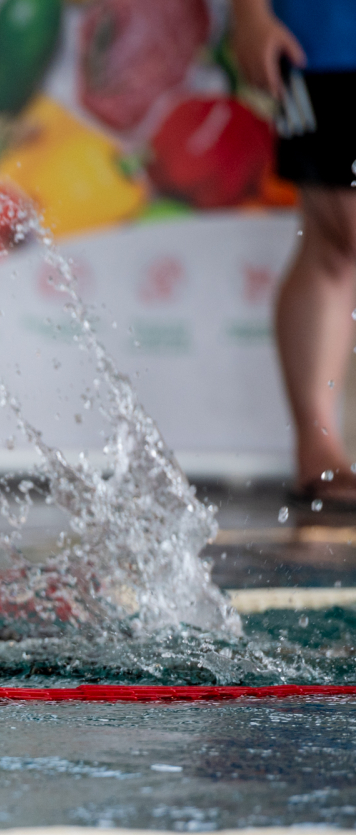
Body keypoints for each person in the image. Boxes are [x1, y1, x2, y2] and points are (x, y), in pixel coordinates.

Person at [231, 0, 356, 507]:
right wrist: (250, 15)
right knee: (340, 236)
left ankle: (319, 449)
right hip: (323, 47)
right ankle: (318, 448)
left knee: (333, 246)